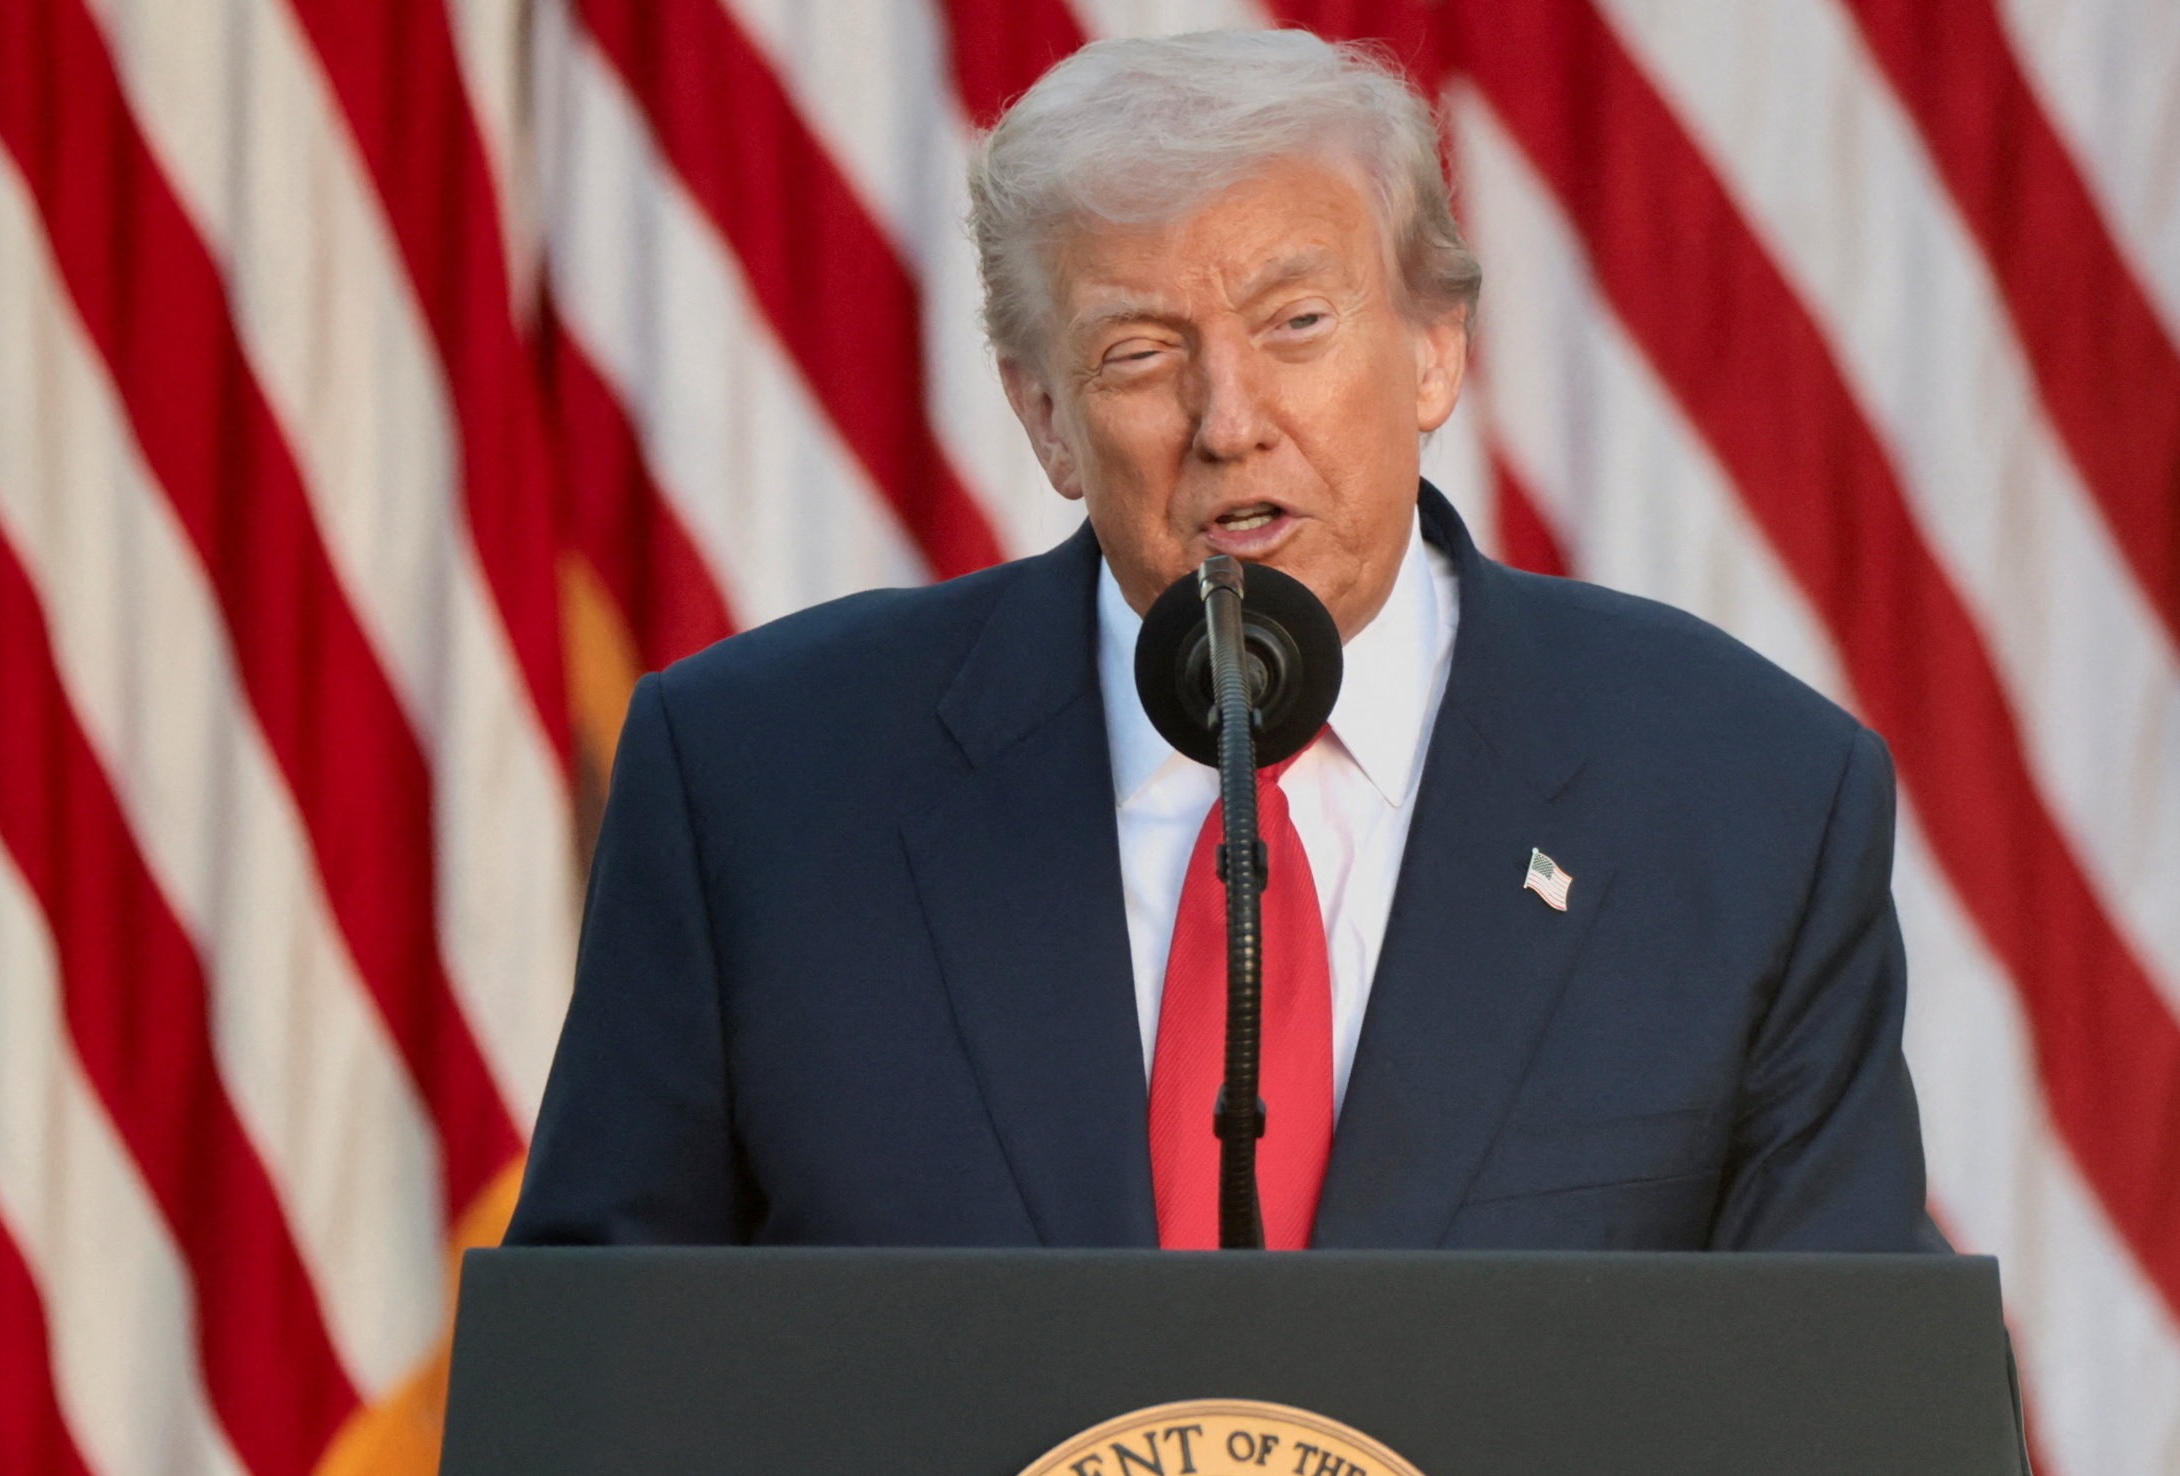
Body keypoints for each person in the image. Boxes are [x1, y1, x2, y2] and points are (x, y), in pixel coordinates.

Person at [505, 29, 1929, 1252]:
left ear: (1433, 349)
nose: (1228, 416)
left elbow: (1841, 1435)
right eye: (1137, 353)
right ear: (1047, 417)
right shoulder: (757, 785)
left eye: (1296, 322)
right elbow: (597, 1412)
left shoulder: (1749, 802)